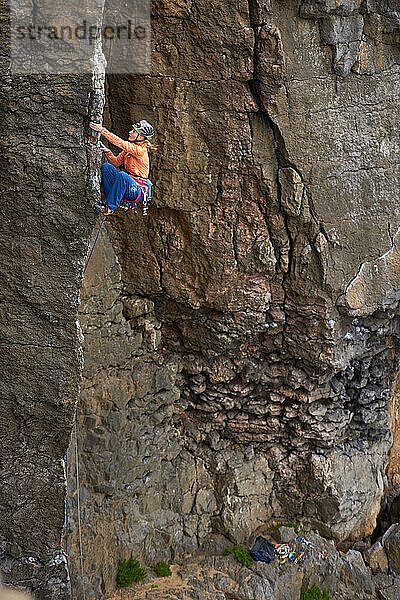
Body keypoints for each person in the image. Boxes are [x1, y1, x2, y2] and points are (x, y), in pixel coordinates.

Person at [89, 120, 155, 215]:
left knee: (123, 175)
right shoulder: (129, 150)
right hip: (128, 185)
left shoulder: (140, 151)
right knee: (107, 167)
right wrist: (107, 151)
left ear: (140, 137)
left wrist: (102, 130)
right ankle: (109, 200)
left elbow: (121, 143)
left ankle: (109, 208)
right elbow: (116, 162)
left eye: (134, 131)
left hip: (136, 190)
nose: (130, 132)